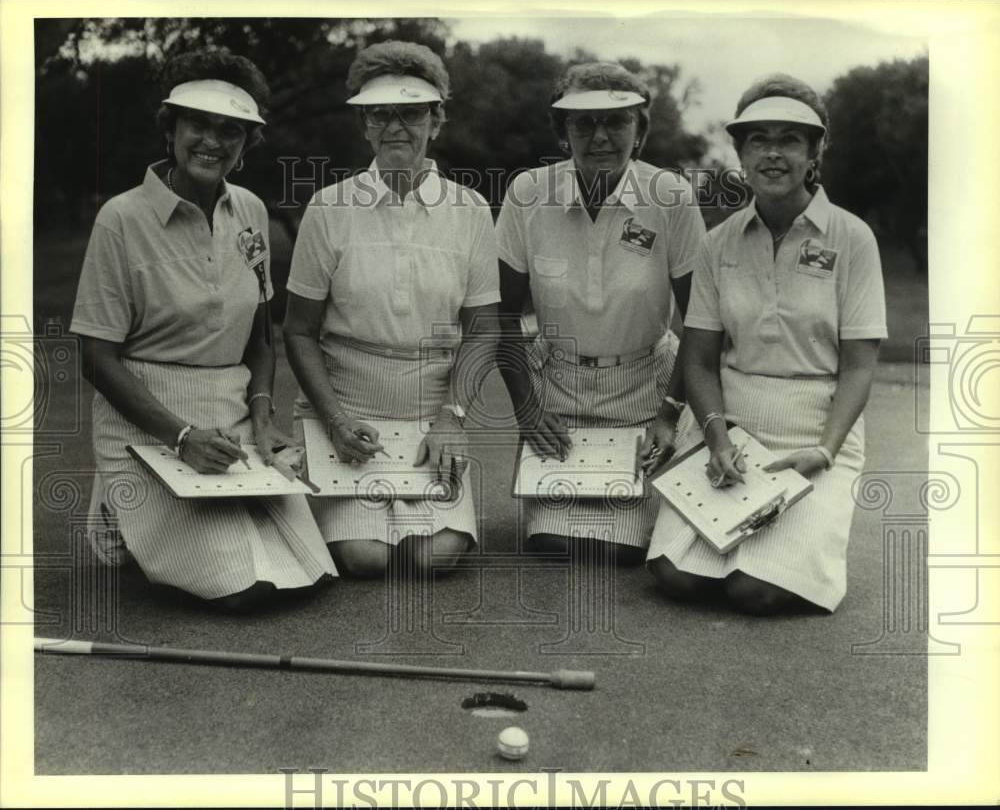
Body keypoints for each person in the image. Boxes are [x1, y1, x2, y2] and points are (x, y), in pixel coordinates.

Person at [70, 49, 337, 611]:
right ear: (170, 128)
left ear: (246, 146)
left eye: (230, 130)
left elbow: (260, 334)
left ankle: (146, 525)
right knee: (248, 590)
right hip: (145, 425)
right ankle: (121, 511)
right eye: (198, 124)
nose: (212, 141)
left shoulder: (251, 212)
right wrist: (182, 437)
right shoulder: (120, 218)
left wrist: (263, 420)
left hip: (231, 416)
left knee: (309, 573)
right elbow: (95, 356)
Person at [646, 74, 887, 615]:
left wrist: (824, 451)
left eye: (790, 140)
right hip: (730, 429)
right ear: (741, 152)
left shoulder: (853, 238)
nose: (773, 154)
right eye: (758, 140)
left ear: (814, 153)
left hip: (816, 437)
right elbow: (701, 359)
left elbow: (859, 367)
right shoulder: (718, 241)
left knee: (752, 590)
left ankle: (804, 546)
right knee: (676, 576)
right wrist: (714, 437)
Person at [284, 41, 499, 578]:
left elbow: (483, 331)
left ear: (437, 120)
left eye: (411, 112)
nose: (395, 126)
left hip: (434, 413)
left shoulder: (470, 210)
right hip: (347, 411)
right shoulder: (328, 209)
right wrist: (334, 420)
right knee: (365, 558)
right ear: (364, 124)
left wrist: (453, 419)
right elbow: (299, 331)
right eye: (380, 114)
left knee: (436, 557)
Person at [495, 62, 706, 565]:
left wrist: (669, 413)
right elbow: (499, 317)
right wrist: (527, 407)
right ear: (562, 133)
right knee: (557, 544)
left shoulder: (671, 197)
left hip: (647, 391)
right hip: (558, 394)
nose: (600, 137)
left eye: (616, 122)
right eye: (582, 123)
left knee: (628, 551)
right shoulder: (528, 193)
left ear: (641, 131)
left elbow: (701, 322)